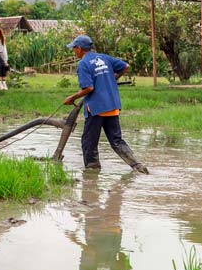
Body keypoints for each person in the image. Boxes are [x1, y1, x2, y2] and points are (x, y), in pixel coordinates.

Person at [62, 35, 149, 174]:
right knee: (116, 141)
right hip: (112, 105)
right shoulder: (104, 58)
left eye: (74, 48)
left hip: (96, 108)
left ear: (79, 49)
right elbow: (125, 66)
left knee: (89, 143)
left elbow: (89, 88)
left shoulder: (83, 64)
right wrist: (113, 79)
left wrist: (72, 98)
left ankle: (92, 174)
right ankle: (138, 166)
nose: (73, 51)